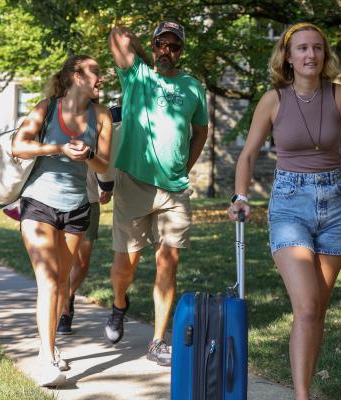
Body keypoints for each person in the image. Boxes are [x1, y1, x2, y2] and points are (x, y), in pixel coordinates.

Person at [227, 23, 341, 400]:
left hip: (334, 205)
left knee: (317, 311)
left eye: (317, 48)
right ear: (288, 56)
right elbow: (247, 154)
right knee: (308, 307)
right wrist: (241, 196)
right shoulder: (273, 99)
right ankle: (302, 396)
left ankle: (303, 387)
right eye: (302, 49)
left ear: (325, 55)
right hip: (289, 204)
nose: (311, 55)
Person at [105, 21, 208, 367]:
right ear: (153, 46)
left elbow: (201, 131)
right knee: (126, 266)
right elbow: (116, 34)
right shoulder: (137, 75)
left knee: (168, 261)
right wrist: (140, 43)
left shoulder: (193, 87)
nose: (168, 51)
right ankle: (120, 303)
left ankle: (157, 341)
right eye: (162, 45)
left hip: (174, 190)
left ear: (182, 51)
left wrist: (184, 167)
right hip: (133, 183)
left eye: (174, 46)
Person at [12, 54, 112, 387]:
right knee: (50, 280)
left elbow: (104, 167)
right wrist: (56, 148)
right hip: (39, 202)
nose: (102, 78)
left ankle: (51, 349)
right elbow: (18, 145)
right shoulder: (47, 108)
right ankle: (46, 358)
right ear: (74, 76)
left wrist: (88, 155)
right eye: (95, 72)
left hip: (76, 208)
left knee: (63, 284)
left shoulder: (102, 116)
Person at [56, 170, 113, 335]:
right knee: (64, 262)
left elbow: (102, 161)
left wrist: (108, 189)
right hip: (59, 200)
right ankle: (64, 312)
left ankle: (67, 295)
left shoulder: (94, 141)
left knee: (82, 264)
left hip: (89, 200)